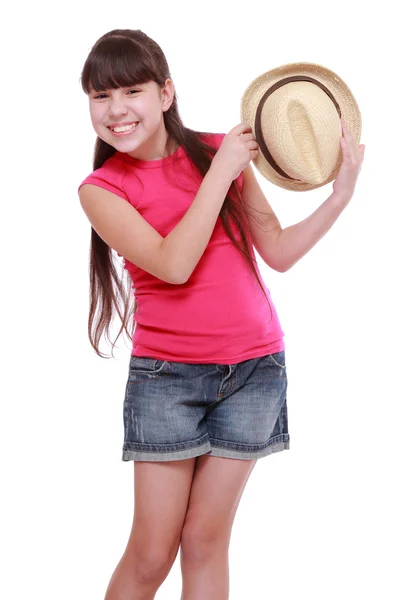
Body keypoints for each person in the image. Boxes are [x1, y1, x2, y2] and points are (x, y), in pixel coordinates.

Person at [78, 29, 365, 600]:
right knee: (151, 554)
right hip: (168, 382)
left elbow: (277, 252)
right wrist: (219, 170)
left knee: (206, 542)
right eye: (99, 96)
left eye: (130, 91)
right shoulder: (101, 189)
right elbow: (173, 264)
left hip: (256, 372)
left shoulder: (219, 150)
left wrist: (339, 196)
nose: (115, 110)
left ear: (165, 93)